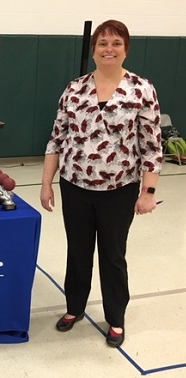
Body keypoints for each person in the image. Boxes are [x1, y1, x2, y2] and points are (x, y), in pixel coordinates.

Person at [40, 20, 163, 348]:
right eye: (103, 43)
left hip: (119, 191)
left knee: (112, 255)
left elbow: (152, 146)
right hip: (75, 185)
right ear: (94, 49)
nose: (109, 49)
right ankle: (74, 309)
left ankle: (116, 318)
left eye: (116, 43)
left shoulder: (141, 90)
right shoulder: (74, 89)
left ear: (126, 48)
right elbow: (57, 138)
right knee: (78, 253)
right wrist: (46, 184)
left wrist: (148, 191)